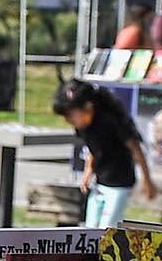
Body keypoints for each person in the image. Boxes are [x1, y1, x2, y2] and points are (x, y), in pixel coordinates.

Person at [53, 80, 156, 227]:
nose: (67, 120)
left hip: (120, 183)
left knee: (106, 229)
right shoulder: (84, 126)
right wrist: (88, 172)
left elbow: (135, 148)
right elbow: (93, 149)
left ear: (88, 107)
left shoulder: (110, 121)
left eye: (70, 115)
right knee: (90, 228)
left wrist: (148, 181)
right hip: (100, 182)